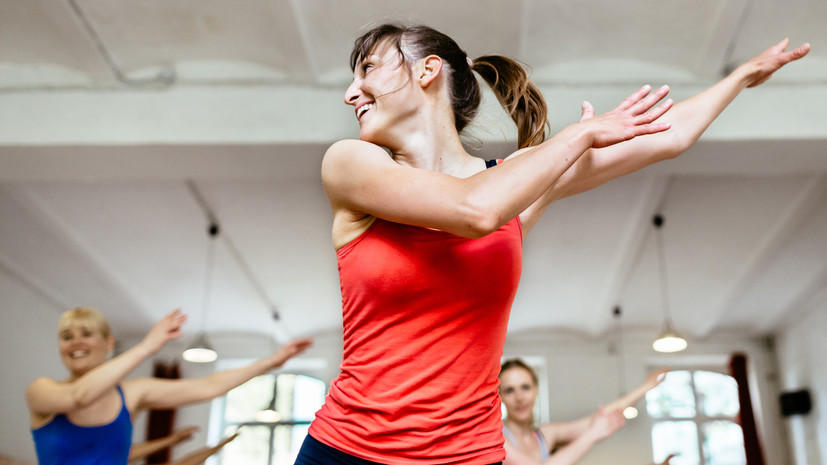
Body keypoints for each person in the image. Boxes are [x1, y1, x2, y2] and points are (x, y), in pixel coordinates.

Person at [297, 23, 809, 465]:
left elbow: (666, 136)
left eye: (367, 69)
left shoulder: (516, 184)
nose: (351, 91)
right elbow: (472, 211)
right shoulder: (350, 164)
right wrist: (577, 137)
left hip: (469, 454)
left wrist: (740, 78)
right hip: (348, 449)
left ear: (428, 70)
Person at [27, 307, 312, 465]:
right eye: (66, 336)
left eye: (86, 333)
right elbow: (79, 397)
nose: (75, 342)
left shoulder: (134, 393)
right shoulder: (42, 390)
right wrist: (146, 347)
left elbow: (208, 386)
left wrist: (271, 362)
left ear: (108, 343)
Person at [498, 359, 667, 465]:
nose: (519, 397)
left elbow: (599, 419)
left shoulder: (545, 435)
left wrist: (647, 386)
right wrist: (592, 435)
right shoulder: (497, 438)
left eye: (525, 387)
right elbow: (594, 428)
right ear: (501, 397)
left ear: (536, 391)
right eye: (510, 390)